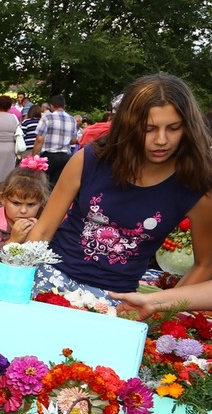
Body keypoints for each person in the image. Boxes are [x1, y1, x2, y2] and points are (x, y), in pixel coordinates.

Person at [27, 73, 212, 300]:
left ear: (189, 127)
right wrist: (17, 279)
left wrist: (160, 308)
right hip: (48, 280)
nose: (162, 140)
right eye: (148, 129)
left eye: (174, 128)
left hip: (120, 301)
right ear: (129, 126)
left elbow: (204, 265)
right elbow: (43, 230)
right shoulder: (89, 160)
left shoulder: (195, 188)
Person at [0, 163, 50, 290]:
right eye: (16, 203)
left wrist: (37, 238)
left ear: (41, 203)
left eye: (31, 205)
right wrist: (11, 242)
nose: (23, 210)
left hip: (25, 294)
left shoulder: (44, 226)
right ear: (3, 199)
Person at [32, 94, 78, 188]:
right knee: (58, 186)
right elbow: (73, 140)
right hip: (65, 157)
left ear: (51, 106)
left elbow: (39, 139)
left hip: (49, 156)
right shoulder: (73, 120)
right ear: (64, 106)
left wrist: (34, 155)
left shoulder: (47, 117)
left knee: (44, 185)